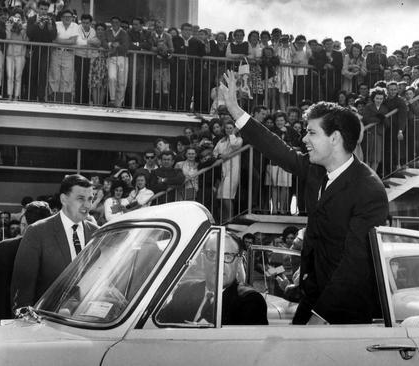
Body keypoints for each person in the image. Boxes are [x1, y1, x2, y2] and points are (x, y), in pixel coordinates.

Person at [219, 70, 388, 324]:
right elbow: (274, 147)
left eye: (312, 132)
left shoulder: (369, 190)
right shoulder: (315, 169)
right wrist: (234, 108)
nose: (303, 138)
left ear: (335, 138)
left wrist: (321, 317)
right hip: (312, 297)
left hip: (344, 310)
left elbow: (354, 265)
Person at [10, 174, 99, 310]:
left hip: (87, 324)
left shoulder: (97, 234)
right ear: (63, 199)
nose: (87, 205)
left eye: (90, 199)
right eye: (80, 199)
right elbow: (23, 288)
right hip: (46, 323)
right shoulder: (37, 232)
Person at [156, 233, 268, 325]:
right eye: (212, 255)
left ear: (238, 263)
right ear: (203, 259)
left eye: (228, 256)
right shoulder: (185, 290)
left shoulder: (249, 301)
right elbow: (159, 325)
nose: (219, 263)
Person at [0, 201, 52, 320]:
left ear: (26, 225)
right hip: (36, 319)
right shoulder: (51, 250)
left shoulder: (3, 247)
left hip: (3, 316)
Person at [48, 9, 77, 102]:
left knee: (67, 77)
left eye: (70, 17)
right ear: (61, 18)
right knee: (54, 76)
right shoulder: (56, 24)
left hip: (68, 54)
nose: (67, 18)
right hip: (56, 52)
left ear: (72, 18)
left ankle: (64, 100)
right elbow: (53, 39)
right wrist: (67, 41)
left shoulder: (75, 25)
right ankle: (53, 98)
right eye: (65, 17)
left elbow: (73, 41)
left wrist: (59, 41)